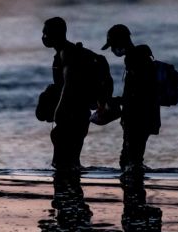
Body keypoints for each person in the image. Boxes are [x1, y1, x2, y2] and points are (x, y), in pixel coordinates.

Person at [101, 24, 160, 177]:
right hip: (143, 116)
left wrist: (119, 101)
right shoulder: (139, 57)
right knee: (132, 159)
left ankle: (135, 187)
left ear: (121, 41)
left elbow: (139, 93)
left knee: (130, 161)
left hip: (138, 118)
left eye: (113, 45)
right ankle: (136, 184)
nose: (112, 50)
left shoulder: (135, 59)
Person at [40, 17, 92, 171]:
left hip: (73, 114)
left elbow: (69, 84)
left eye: (45, 33)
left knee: (63, 163)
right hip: (79, 113)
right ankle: (71, 185)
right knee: (71, 162)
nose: (43, 37)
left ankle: (67, 186)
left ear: (55, 34)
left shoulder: (67, 53)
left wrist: (59, 109)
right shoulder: (65, 52)